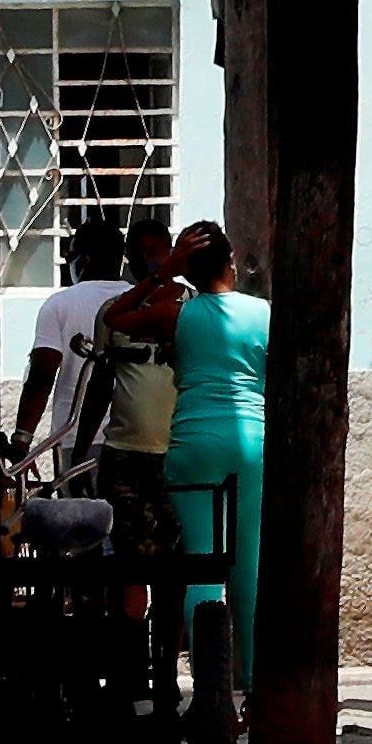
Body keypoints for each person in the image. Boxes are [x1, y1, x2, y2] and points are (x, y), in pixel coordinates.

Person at [155, 220, 271, 664]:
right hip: (251, 443)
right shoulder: (263, 314)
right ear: (232, 262)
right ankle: (249, 680)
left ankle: (209, 684)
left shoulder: (178, 314)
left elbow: (115, 317)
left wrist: (165, 269)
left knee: (201, 560)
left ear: (188, 271)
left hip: (193, 443)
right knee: (249, 563)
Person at [86, 217, 185, 562]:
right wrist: (86, 452)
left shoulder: (194, 310)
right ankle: (131, 618)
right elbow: (100, 385)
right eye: (139, 254)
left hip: (178, 454)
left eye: (156, 252)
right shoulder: (113, 314)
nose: (149, 260)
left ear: (171, 254)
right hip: (124, 455)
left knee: (178, 564)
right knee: (129, 563)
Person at [15, 217, 137, 467]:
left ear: (82, 259)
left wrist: (22, 439)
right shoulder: (141, 301)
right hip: (137, 437)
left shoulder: (60, 304)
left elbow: (42, 375)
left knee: (78, 506)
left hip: (75, 437)